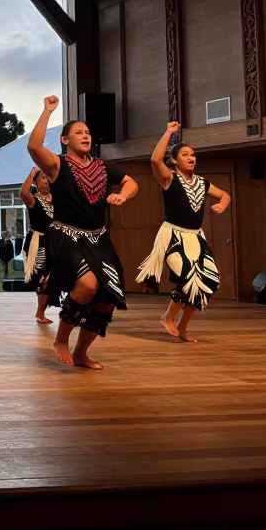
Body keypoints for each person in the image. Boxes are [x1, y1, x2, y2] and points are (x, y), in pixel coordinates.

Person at [27, 96, 137, 370]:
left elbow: (131, 182)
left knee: (107, 298)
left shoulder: (102, 167)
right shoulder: (56, 165)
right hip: (65, 236)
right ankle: (61, 339)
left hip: (98, 239)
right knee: (88, 285)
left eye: (87, 132)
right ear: (65, 140)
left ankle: (81, 354)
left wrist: (123, 195)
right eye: (78, 132)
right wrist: (47, 111)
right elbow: (33, 145)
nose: (85, 135)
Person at [137, 122, 231, 343]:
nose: (191, 158)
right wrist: (169, 133)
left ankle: (182, 326)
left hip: (196, 237)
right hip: (172, 235)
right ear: (175, 160)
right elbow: (154, 160)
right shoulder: (169, 178)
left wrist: (222, 206)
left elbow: (225, 195)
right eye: (186, 154)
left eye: (193, 155)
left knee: (209, 281)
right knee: (188, 279)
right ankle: (168, 317)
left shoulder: (202, 183)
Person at [19, 168, 55, 324]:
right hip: (38, 241)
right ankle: (40, 313)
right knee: (42, 278)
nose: (46, 181)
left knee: (54, 277)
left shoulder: (57, 199)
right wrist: (31, 174)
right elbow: (23, 193)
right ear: (36, 181)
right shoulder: (33, 200)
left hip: (55, 242)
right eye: (43, 178)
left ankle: (42, 312)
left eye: (48, 178)